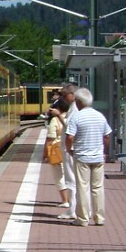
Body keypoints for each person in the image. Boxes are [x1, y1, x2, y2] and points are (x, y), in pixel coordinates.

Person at [64, 87, 112, 227]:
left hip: (82, 157)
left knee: (83, 188)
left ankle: (83, 219)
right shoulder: (99, 116)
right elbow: (107, 136)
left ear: (78, 102)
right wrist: (104, 151)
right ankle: (99, 218)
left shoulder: (76, 117)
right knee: (98, 188)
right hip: (98, 157)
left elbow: (70, 137)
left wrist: (69, 150)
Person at [49, 84, 79, 220]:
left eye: (65, 95)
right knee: (75, 180)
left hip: (71, 148)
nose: (63, 98)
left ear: (72, 95)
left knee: (71, 180)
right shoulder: (75, 107)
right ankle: (78, 209)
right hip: (72, 148)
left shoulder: (75, 108)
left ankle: (73, 210)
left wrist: (58, 116)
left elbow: (70, 127)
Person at [44, 98, 72, 208]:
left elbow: (50, 139)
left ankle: (65, 200)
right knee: (70, 175)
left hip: (57, 151)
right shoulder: (71, 118)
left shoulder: (55, 120)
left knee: (59, 176)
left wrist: (46, 154)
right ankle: (72, 199)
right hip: (70, 150)